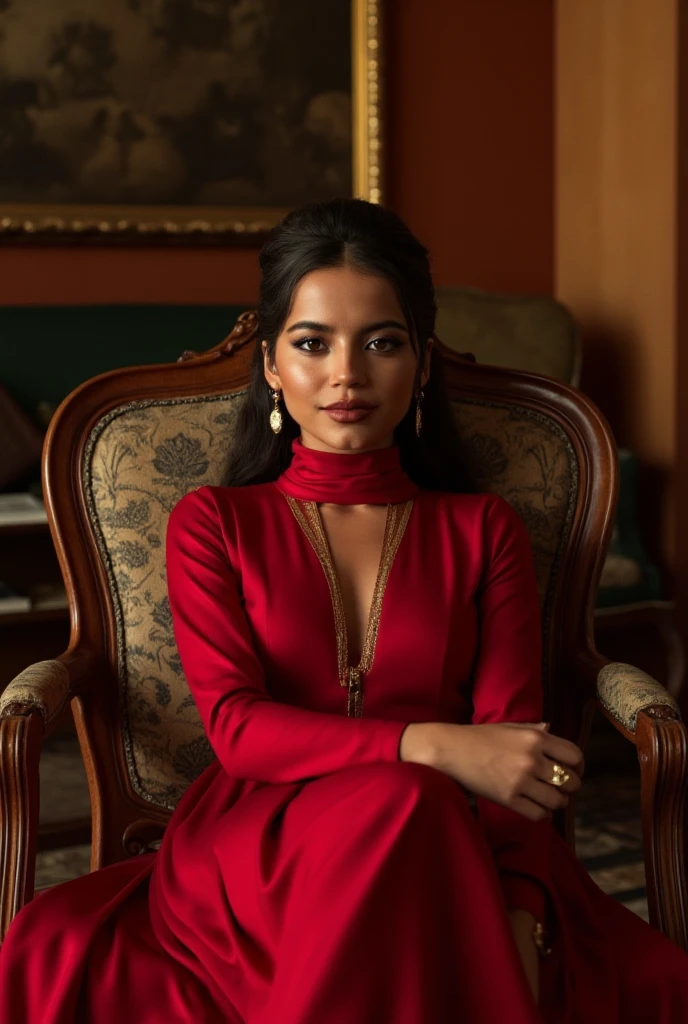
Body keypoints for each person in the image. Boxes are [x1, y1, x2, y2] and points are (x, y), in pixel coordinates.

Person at [1, 197, 687, 1023]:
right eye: (312, 342)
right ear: (270, 365)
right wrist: (432, 747)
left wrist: (520, 916)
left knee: (441, 821)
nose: (347, 376)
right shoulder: (215, 523)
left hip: (445, 849)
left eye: (383, 343)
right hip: (259, 841)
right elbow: (240, 731)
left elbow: (516, 759)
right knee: (416, 794)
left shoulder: (481, 529)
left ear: (423, 364)